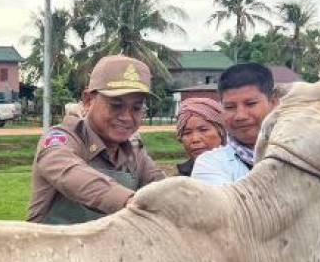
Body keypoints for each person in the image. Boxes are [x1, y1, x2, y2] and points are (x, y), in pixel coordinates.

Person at [27, 55, 165, 224]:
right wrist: (130, 201)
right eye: (116, 106)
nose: (127, 117)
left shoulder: (134, 149)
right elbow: (71, 175)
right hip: (52, 241)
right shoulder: (61, 139)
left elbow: (160, 185)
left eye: (136, 108)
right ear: (88, 100)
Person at [191, 62, 277, 185]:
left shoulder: (298, 154)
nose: (240, 116)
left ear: (273, 102)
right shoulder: (210, 164)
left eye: (251, 104)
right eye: (230, 107)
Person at [174, 97, 226, 176]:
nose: (195, 139)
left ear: (221, 131)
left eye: (203, 130)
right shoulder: (180, 180)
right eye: (187, 133)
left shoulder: (242, 174)